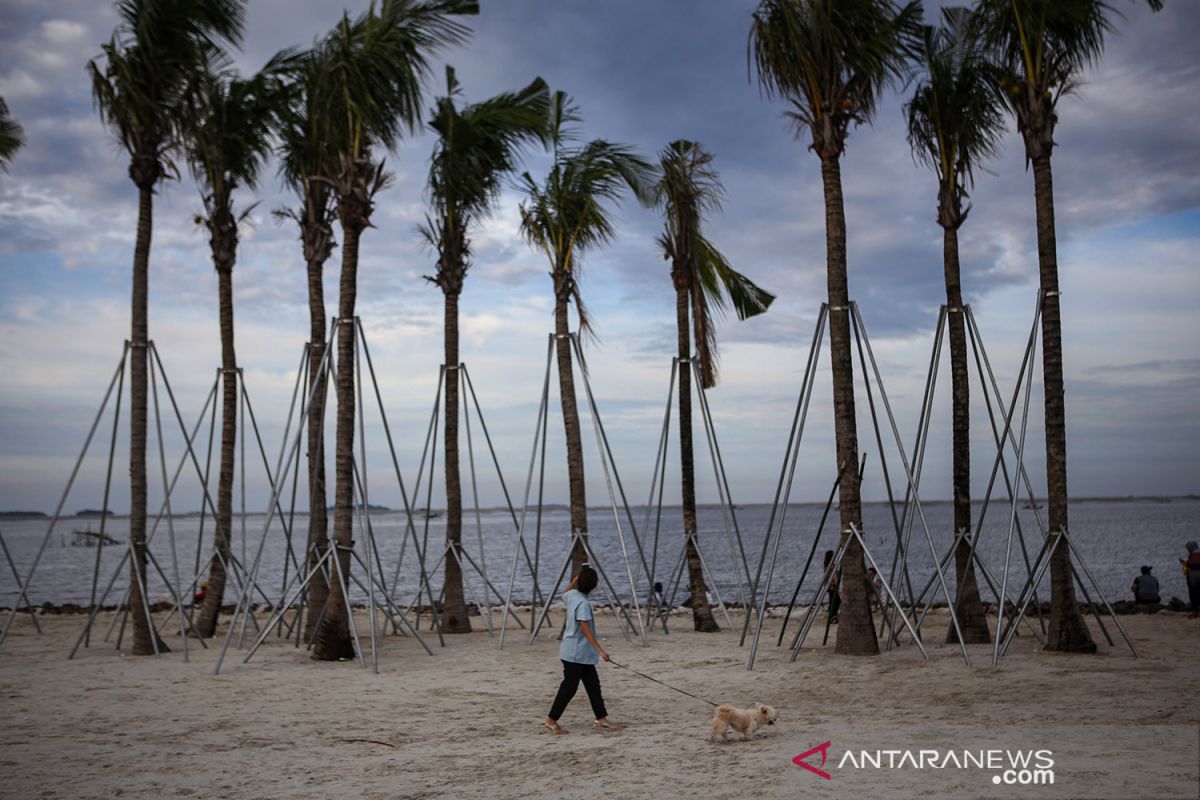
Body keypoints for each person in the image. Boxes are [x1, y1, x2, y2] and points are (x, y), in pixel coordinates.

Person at [543, 567, 621, 734]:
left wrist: (575, 579)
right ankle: (551, 720)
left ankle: (601, 719)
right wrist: (600, 650)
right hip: (576, 654)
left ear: (578, 581)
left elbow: (565, 591)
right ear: (593, 586)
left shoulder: (572, 596)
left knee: (593, 686)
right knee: (569, 688)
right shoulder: (583, 603)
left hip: (576, 652)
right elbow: (585, 628)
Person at [1181, 541, 1200, 618]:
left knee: (1194, 594)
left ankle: (1195, 611)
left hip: (1194, 577)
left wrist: (1185, 563)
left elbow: (1193, 564)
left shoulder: (1195, 554)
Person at [823, 550, 840, 624]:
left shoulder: (826, 565)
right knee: (836, 600)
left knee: (833, 600)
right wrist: (837, 585)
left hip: (829, 585)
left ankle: (833, 616)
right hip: (832, 585)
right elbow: (833, 576)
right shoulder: (831, 565)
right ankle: (833, 616)